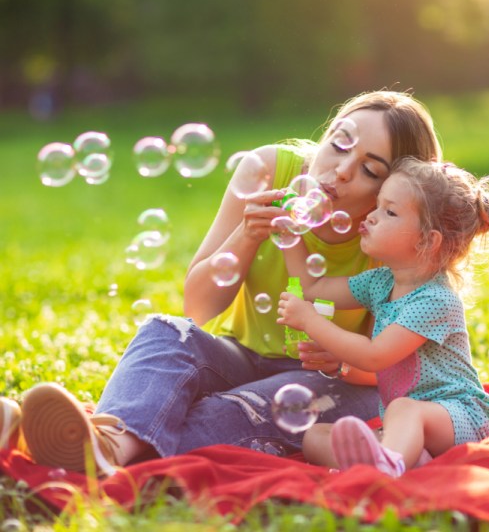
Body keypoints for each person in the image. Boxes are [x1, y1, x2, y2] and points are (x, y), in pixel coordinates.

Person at [2, 90, 442, 476]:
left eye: (370, 169)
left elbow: (403, 370)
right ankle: (106, 445)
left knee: (239, 409)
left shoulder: (395, 233)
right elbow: (198, 305)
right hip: (240, 355)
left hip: (333, 385)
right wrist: (247, 235)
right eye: (339, 143)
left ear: (399, 188)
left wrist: (343, 360)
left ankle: (52, 441)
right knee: (166, 331)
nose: (342, 170)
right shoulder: (271, 170)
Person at [276, 157, 489, 477]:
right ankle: (407, 459)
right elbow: (312, 285)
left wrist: (311, 322)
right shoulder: (381, 281)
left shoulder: (436, 299)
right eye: (377, 205)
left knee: (403, 409)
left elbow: (375, 356)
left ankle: (385, 468)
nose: (371, 217)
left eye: (389, 212)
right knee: (315, 437)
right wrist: (289, 231)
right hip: (405, 425)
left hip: (462, 418)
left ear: (427, 240)